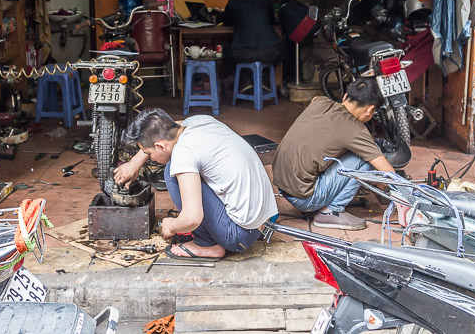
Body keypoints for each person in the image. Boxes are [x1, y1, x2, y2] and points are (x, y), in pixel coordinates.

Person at [115, 109, 278, 260]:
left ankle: (207, 245)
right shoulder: (198, 121)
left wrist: (171, 225)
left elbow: (192, 218)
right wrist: (135, 163)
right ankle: (213, 236)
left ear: (160, 146)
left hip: (238, 235)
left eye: (149, 154)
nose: (151, 159)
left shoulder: (183, 153)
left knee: (171, 172)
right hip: (263, 221)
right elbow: (169, 127)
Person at [272, 77, 395, 230]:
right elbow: (390, 173)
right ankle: (331, 212)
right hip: (305, 198)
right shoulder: (356, 131)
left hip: (283, 186)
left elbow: (316, 100)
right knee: (365, 159)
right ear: (370, 109)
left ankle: (326, 201)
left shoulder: (320, 102)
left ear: (345, 97)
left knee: (343, 148)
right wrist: (380, 181)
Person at [222, 0, 283, 65]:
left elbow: (226, 22)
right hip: (270, 52)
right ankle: (265, 74)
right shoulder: (266, 1)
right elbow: (271, 20)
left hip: (243, 53)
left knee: (225, 49)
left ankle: (241, 75)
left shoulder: (234, 3)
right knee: (282, 49)